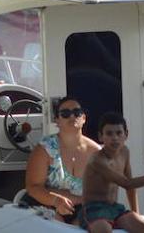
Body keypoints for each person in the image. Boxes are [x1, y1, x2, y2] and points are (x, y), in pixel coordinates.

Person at [80, 112, 144, 233]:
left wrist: (136, 213)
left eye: (119, 133)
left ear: (126, 134)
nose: (114, 138)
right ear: (100, 137)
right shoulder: (97, 160)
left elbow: (130, 189)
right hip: (93, 209)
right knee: (104, 230)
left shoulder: (125, 152)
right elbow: (127, 184)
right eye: (109, 133)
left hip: (114, 208)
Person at [23, 95, 100, 223]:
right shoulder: (44, 149)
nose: (72, 116)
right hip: (45, 205)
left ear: (84, 118)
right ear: (57, 120)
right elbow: (33, 187)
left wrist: (70, 198)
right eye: (65, 113)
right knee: (55, 222)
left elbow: (100, 193)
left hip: (82, 209)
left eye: (77, 112)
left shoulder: (96, 152)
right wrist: (56, 200)